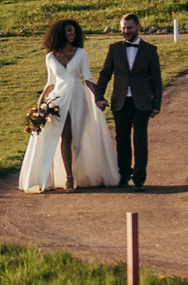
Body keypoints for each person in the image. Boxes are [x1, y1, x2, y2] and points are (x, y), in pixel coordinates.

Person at [17, 18, 119, 193]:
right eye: (69, 31)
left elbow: (88, 78)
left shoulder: (81, 53)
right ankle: (68, 178)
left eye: (74, 32)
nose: (72, 35)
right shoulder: (50, 57)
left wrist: (98, 98)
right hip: (57, 100)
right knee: (65, 136)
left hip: (77, 98)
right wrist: (40, 104)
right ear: (60, 34)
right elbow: (50, 82)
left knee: (77, 139)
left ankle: (79, 174)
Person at [91, 12, 164, 188]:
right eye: (123, 28)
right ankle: (123, 175)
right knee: (122, 140)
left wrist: (156, 105)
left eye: (129, 28)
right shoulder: (114, 49)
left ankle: (139, 178)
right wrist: (98, 96)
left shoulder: (150, 50)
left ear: (138, 27)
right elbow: (105, 73)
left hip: (142, 102)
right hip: (120, 101)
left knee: (140, 140)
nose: (126, 31)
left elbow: (156, 79)